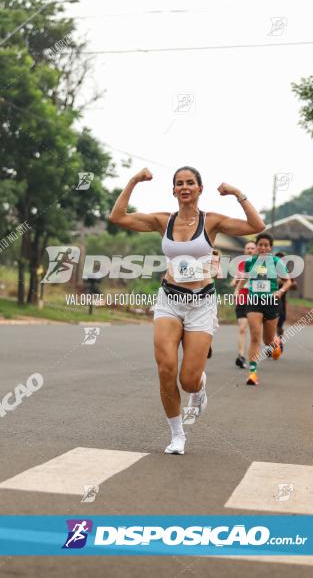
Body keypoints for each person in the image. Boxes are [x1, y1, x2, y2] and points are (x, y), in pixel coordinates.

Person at [109, 166, 263, 454]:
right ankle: (177, 434)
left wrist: (236, 193)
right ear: (173, 190)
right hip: (169, 300)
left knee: (188, 380)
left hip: (201, 304)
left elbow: (257, 226)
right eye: (179, 183)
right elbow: (117, 217)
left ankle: (200, 384)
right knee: (166, 369)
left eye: (190, 183)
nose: (184, 187)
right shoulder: (162, 221)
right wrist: (133, 181)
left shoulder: (212, 221)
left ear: (199, 189)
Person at [242, 234, 293, 385]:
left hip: (271, 302)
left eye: (266, 245)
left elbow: (288, 281)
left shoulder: (276, 262)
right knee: (255, 337)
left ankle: (275, 342)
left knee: (268, 340)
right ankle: (252, 373)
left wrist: (280, 292)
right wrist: (238, 290)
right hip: (254, 301)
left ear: (270, 247)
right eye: (261, 245)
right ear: (257, 246)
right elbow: (245, 279)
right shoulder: (250, 262)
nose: (263, 248)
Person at [231, 241, 256, 368]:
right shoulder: (241, 264)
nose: (250, 250)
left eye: (252, 248)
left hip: (256, 296)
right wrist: (234, 282)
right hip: (242, 295)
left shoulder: (259, 263)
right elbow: (236, 278)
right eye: (248, 248)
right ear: (244, 250)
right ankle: (241, 356)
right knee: (242, 328)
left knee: (255, 329)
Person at [274, 250, 296, 347]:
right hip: (269, 301)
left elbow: (294, 286)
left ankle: (279, 340)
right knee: (271, 324)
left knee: (279, 326)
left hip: (281, 302)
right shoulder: (269, 270)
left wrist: (283, 284)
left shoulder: (287, 273)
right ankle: (274, 345)